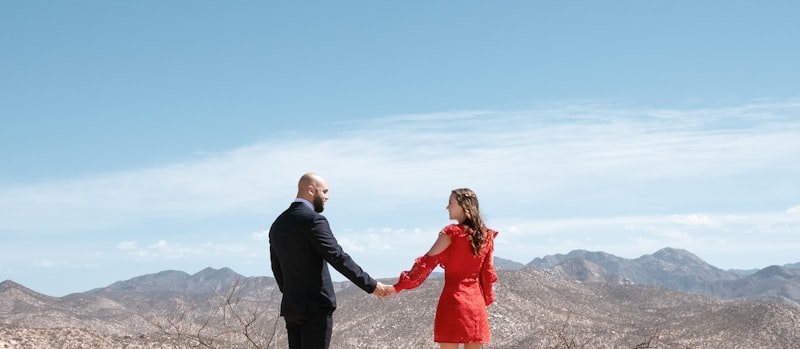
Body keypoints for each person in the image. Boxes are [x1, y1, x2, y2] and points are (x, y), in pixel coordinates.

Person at [269, 172, 394, 349]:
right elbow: (337, 256)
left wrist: (291, 294)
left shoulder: (278, 224)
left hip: (292, 308)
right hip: (315, 308)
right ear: (311, 190)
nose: (327, 197)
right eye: (325, 191)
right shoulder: (313, 220)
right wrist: (372, 285)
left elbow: (276, 267)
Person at [391, 188, 498, 349]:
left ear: (463, 206)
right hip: (476, 306)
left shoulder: (451, 233)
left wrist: (398, 287)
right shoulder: (487, 236)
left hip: (453, 303)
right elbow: (488, 274)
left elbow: (425, 264)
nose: (447, 207)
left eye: (450, 203)